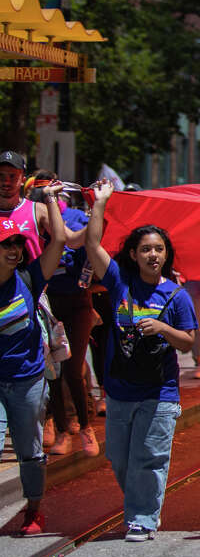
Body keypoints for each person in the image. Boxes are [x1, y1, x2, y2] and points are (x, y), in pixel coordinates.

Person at [85, 180, 197, 541]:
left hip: (159, 392)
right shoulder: (120, 282)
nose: (153, 255)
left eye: (159, 249)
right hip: (119, 391)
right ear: (133, 254)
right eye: (146, 249)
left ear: (166, 254)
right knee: (120, 459)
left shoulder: (177, 295)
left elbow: (188, 343)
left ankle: (142, 518)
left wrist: (163, 327)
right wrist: (100, 203)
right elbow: (92, 245)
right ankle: (140, 506)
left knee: (148, 458)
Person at [2, 182, 66, 535]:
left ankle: (34, 510)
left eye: (17, 244)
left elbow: (57, 241)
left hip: (27, 380)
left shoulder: (30, 279)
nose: (13, 250)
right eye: (5, 244)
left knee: (30, 452)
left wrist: (51, 200)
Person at [24, 171, 99, 457]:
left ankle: (85, 427)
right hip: (46, 303)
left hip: (78, 303)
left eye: (50, 193)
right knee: (52, 370)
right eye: (39, 193)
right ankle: (60, 427)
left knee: (73, 368)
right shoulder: (28, 221)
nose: (44, 198)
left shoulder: (74, 220)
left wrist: (97, 212)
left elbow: (86, 243)